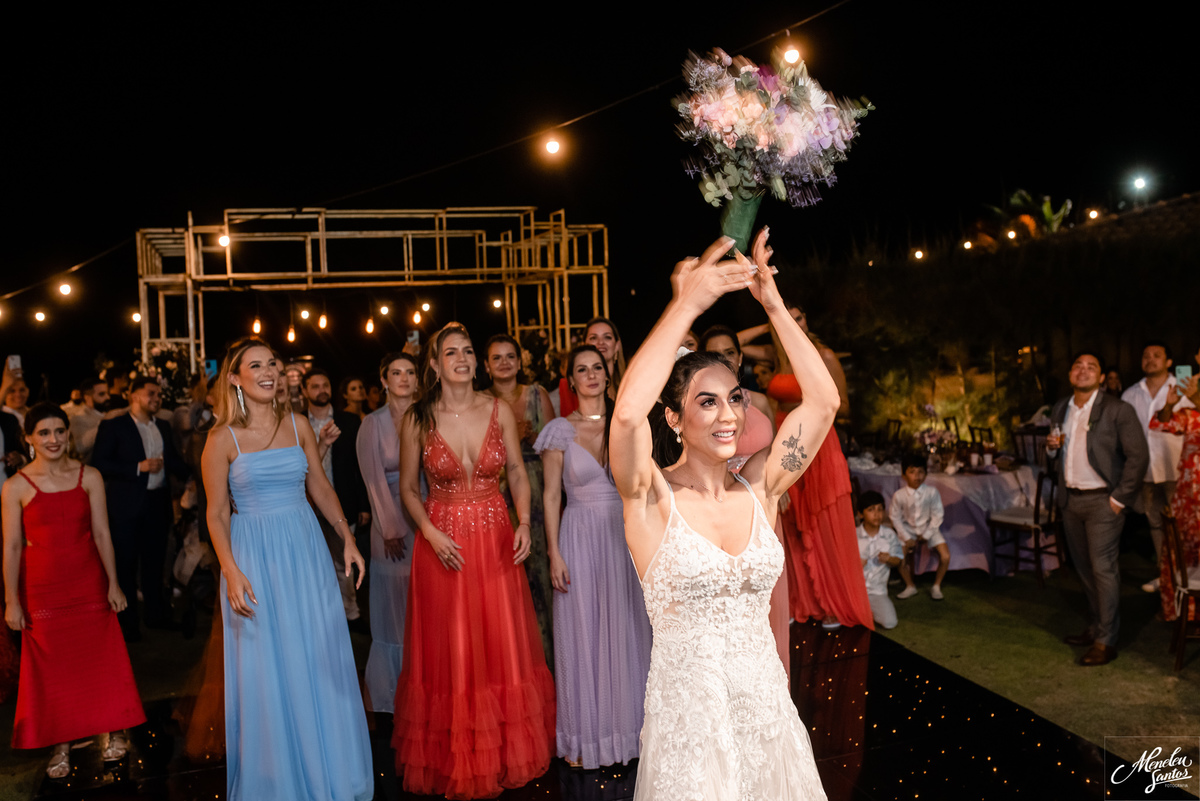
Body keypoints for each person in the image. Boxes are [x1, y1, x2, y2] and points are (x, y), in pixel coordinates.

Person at [611, 231, 834, 800]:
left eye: (734, 397)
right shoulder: (650, 498)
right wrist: (686, 303)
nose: (729, 414)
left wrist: (773, 303)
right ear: (675, 420)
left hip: (767, 717)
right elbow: (628, 413)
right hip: (693, 735)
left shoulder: (763, 487)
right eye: (706, 401)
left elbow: (823, 402)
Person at [201, 337, 371, 801]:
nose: (268, 371)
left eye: (272, 363)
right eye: (255, 365)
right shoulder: (221, 440)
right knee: (266, 668)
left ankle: (330, 769)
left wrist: (347, 537)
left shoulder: (297, 426)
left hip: (305, 551)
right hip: (253, 557)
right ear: (234, 378)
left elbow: (319, 485)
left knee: (319, 657)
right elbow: (216, 514)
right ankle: (278, 781)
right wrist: (231, 570)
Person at [394, 323, 554, 799]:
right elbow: (406, 487)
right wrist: (428, 531)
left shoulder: (498, 410)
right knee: (455, 649)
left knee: (499, 642)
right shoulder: (417, 419)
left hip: (495, 538)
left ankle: (504, 752)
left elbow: (518, 473)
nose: (461, 358)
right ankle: (455, 759)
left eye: (467, 350)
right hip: (443, 545)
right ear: (436, 364)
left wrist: (523, 522)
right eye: (451, 352)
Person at [2, 404, 145, 778]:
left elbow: (101, 533)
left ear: (68, 434)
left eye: (60, 431)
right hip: (42, 591)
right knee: (53, 671)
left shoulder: (90, 476)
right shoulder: (15, 485)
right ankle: (60, 747)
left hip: (89, 584)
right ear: (29, 438)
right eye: (44, 433)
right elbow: (12, 547)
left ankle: (117, 732)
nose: (53, 439)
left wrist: (114, 582)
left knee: (103, 660)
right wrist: (11, 601)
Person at [536, 344, 652, 769]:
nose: (590, 375)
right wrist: (553, 552)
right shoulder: (558, 432)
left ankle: (633, 731)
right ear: (571, 379)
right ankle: (590, 737)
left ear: (608, 372)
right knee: (584, 632)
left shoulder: (629, 425)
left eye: (597, 367)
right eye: (581, 369)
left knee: (627, 629)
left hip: (624, 536)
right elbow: (550, 496)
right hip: (579, 537)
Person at [763, 311, 870, 630]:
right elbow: (731, 343)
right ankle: (802, 601)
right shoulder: (776, 356)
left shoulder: (823, 356)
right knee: (791, 521)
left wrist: (810, 407)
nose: (795, 322)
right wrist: (771, 313)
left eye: (800, 317)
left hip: (818, 441)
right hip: (785, 441)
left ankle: (834, 603)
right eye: (786, 317)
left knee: (822, 521)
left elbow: (843, 404)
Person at [1046, 351, 1148, 667]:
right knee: (1085, 569)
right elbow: (1053, 455)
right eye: (1078, 365)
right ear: (1070, 374)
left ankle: (1106, 641)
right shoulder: (1060, 407)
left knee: (1102, 568)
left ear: (1102, 377)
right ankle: (1096, 626)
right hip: (1070, 500)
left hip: (1104, 501)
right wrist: (1050, 450)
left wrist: (1119, 499)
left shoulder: (1118, 409)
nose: (1084, 370)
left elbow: (1138, 457)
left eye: (1092, 367)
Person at [92, 376, 189, 640]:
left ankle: (156, 616)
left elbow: (174, 462)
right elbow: (99, 463)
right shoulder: (114, 426)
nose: (156, 399)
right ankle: (127, 625)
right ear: (133, 395)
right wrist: (138, 467)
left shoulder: (164, 427)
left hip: (157, 502)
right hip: (125, 505)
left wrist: (199, 472)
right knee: (125, 564)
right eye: (151, 394)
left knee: (155, 562)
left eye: (159, 395)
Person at [356, 352, 420, 713]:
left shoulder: (429, 417)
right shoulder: (373, 424)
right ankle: (394, 691)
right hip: (390, 519)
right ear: (384, 380)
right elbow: (373, 479)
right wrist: (391, 526)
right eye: (396, 372)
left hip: (427, 514)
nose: (404, 378)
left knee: (423, 595)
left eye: (410, 372)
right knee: (396, 601)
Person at [487, 333, 556, 661]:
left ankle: (546, 657)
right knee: (504, 575)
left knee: (539, 572)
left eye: (509, 356)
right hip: (495, 492)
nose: (504, 362)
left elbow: (558, 444)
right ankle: (513, 658)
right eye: (497, 357)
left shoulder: (536, 395)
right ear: (486, 365)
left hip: (538, 490)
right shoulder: (479, 401)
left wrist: (535, 437)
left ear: (519, 360)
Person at [1121, 342, 1194, 593]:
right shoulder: (1130, 394)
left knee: (1183, 526)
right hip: (1146, 471)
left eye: (1157, 355)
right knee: (1155, 524)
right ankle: (1166, 577)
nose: (1150, 359)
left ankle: (1188, 577)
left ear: (1169, 362)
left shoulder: (1186, 388)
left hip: (1178, 471)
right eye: (1146, 356)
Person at [303, 369, 370, 621]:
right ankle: (323, 614)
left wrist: (364, 505)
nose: (322, 390)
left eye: (325, 385)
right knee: (315, 563)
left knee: (346, 562)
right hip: (307, 505)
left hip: (343, 502)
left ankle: (351, 614)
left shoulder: (349, 421)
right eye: (315, 386)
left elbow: (360, 466)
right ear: (304, 391)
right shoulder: (297, 423)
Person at [1150, 358, 1200, 623]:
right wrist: (1170, 403)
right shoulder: (1190, 415)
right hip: (1188, 497)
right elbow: (1160, 423)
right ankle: (1183, 610)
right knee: (1180, 552)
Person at [890, 453, 950, 600]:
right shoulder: (899, 495)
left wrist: (927, 534)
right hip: (908, 529)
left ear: (926, 474)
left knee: (945, 556)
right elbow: (895, 518)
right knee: (900, 558)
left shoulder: (932, 492)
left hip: (929, 528)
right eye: (912, 472)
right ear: (904, 475)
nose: (917, 476)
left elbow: (937, 515)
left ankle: (936, 586)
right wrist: (906, 537)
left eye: (920, 472)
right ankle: (910, 586)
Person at [558, 317, 626, 417]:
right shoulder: (567, 389)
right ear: (584, 344)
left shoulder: (629, 386)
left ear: (617, 345)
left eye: (607, 337)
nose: (601, 342)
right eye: (593, 338)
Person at [856, 490, 904, 629]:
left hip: (877, 591)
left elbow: (898, 560)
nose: (876, 514)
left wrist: (889, 559)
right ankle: (863, 612)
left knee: (890, 623)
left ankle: (869, 611)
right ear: (860, 514)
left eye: (880, 509)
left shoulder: (888, 535)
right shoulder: (853, 535)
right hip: (855, 591)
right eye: (871, 510)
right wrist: (856, 565)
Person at [68, 377, 109, 463]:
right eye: (102, 394)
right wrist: (104, 422)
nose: (107, 397)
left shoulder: (107, 413)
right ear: (87, 397)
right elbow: (80, 447)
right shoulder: (77, 418)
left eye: (107, 393)